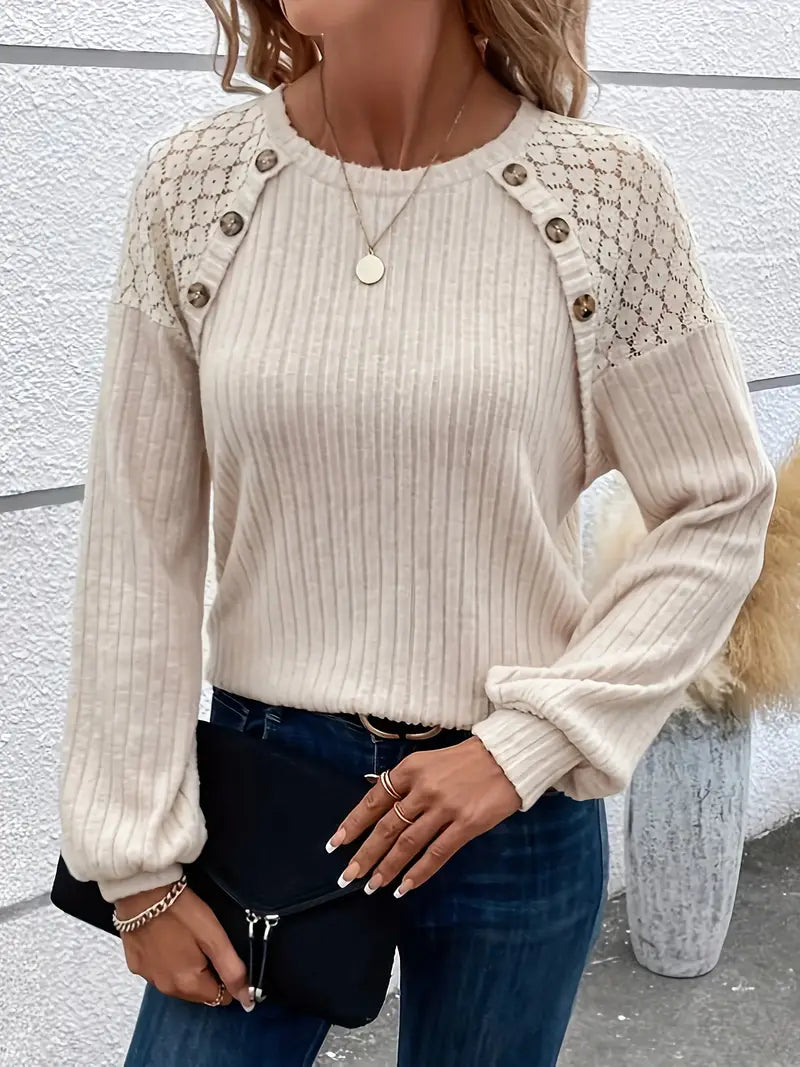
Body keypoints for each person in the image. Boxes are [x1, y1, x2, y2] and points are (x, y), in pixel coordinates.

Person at [57, 1, 777, 1064]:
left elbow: (717, 502)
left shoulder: (604, 196)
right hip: (268, 789)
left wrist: (527, 744)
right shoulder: (196, 187)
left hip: (512, 810)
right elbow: (137, 540)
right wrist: (135, 870)